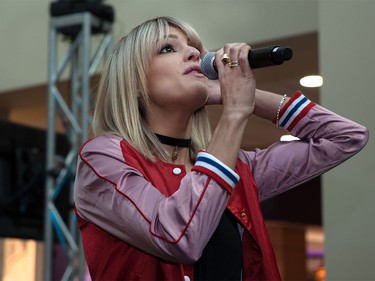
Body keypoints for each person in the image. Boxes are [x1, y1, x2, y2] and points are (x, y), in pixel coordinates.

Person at [73, 16, 369, 281]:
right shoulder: (104, 157)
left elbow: (345, 137)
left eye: (195, 48)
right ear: (134, 82)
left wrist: (241, 97)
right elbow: (178, 237)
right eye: (168, 48)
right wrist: (235, 112)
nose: (194, 53)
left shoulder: (238, 169)